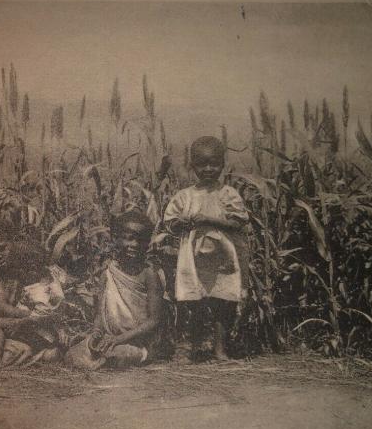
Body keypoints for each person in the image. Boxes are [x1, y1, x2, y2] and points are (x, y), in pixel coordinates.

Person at [162, 136, 249, 361]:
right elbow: (170, 222)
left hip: (223, 260)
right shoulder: (185, 196)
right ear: (192, 166)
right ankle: (188, 348)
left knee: (223, 303)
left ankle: (220, 349)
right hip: (191, 260)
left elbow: (238, 222)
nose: (208, 169)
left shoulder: (228, 194)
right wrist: (180, 223)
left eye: (214, 164)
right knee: (192, 302)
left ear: (223, 164)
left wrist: (209, 220)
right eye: (202, 164)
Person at [65, 211, 164, 369]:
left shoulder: (149, 274)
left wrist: (119, 339)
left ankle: (112, 360)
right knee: (72, 355)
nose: (135, 245)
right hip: (110, 337)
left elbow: (154, 321)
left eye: (141, 240)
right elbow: (99, 314)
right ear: (116, 239)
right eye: (129, 238)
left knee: (114, 356)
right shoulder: (108, 273)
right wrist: (96, 333)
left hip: (139, 342)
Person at [0, 239, 66, 368]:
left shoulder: (34, 287)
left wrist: (26, 316)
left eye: (2, 249)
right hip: (38, 328)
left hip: (31, 325)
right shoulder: (49, 282)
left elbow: (33, 313)